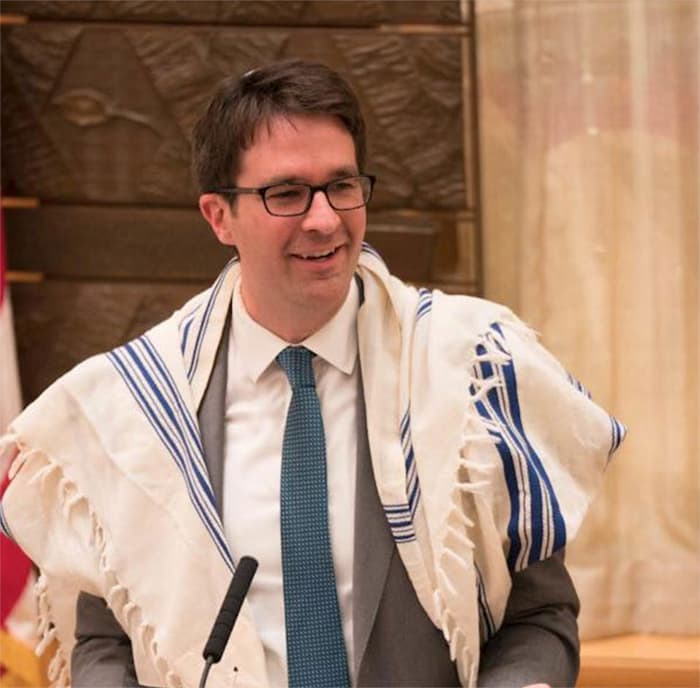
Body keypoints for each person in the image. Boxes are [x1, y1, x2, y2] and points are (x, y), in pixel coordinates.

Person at [0, 60, 625, 688]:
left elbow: (538, 615)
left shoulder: (470, 371)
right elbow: (106, 639)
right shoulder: (135, 408)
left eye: (342, 186)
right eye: (288, 193)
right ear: (219, 217)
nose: (325, 219)